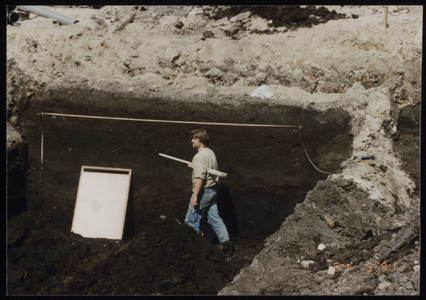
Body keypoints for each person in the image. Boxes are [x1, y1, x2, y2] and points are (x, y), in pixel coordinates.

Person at [184, 129, 231, 249]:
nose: (192, 141)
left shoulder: (199, 157)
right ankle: (226, 242)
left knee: (191, 220)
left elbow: (200, 177)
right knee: (214, 217)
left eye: (194, 139)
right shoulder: (210, 152)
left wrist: (195, 195)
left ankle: (193, 248)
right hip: (213, 190)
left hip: (204, 191)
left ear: (200, 140)